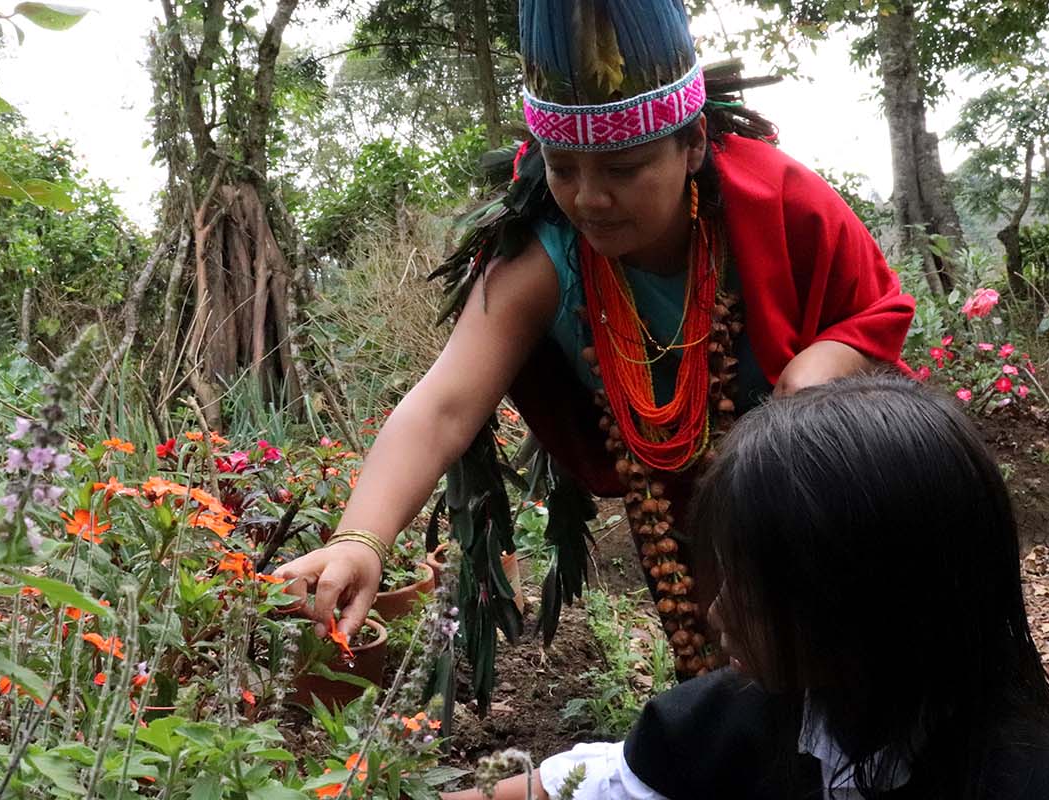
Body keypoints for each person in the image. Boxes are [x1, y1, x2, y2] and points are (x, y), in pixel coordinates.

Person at [274, 0, 915, 679]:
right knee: (726, 679)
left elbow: (876, 315)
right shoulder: (545, 258)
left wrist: (815, 380)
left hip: (828, 500)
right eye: (563, 167)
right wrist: (360, 540)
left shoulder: (783, 203)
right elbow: (444, 406)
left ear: (693, 143)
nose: (589, 199)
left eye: (623, 169)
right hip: (683, 517)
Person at [446, 377, 1049, 800]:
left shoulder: (1030, 783)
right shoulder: (727, 720)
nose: (716, 613)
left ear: (861, 603)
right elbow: (595, 784)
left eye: (754, 588)